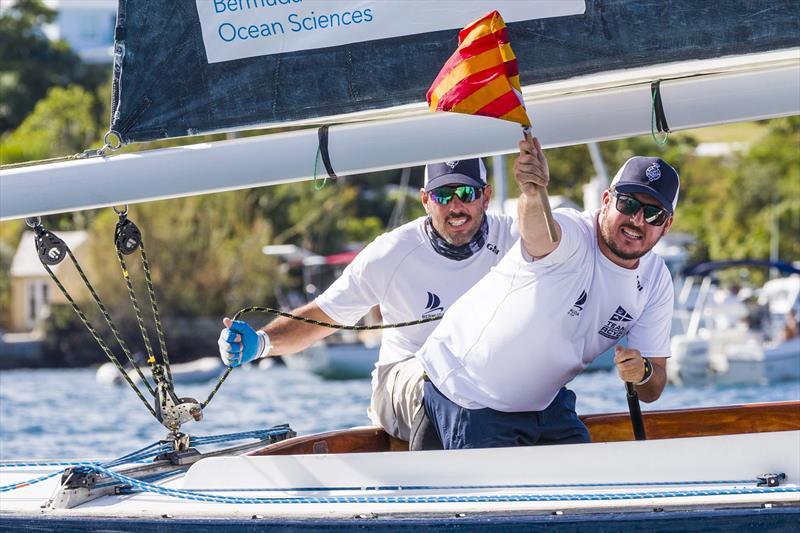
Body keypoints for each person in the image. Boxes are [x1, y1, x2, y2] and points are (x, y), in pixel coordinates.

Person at [218, 157, 519, 447]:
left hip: (487, 382)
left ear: (486, 196)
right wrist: (259, 343)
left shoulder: (517, 241)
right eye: (443, 195)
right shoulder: (390, 254)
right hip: (408, 383)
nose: (455, 206)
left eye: (466, 193)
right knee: (442, 380)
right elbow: (323, 316)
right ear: (425, 200)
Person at [417, 139, 678, 449]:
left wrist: (643, 372)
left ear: (667, 225)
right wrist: (531, 191)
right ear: (606, 200)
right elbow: (540, 233)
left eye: (653, 215)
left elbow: (653, 386)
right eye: (628, 204)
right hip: (471, 393)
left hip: (545, 403)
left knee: (589, 493)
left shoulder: (656, 279)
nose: (636, 220)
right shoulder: (573, 233)